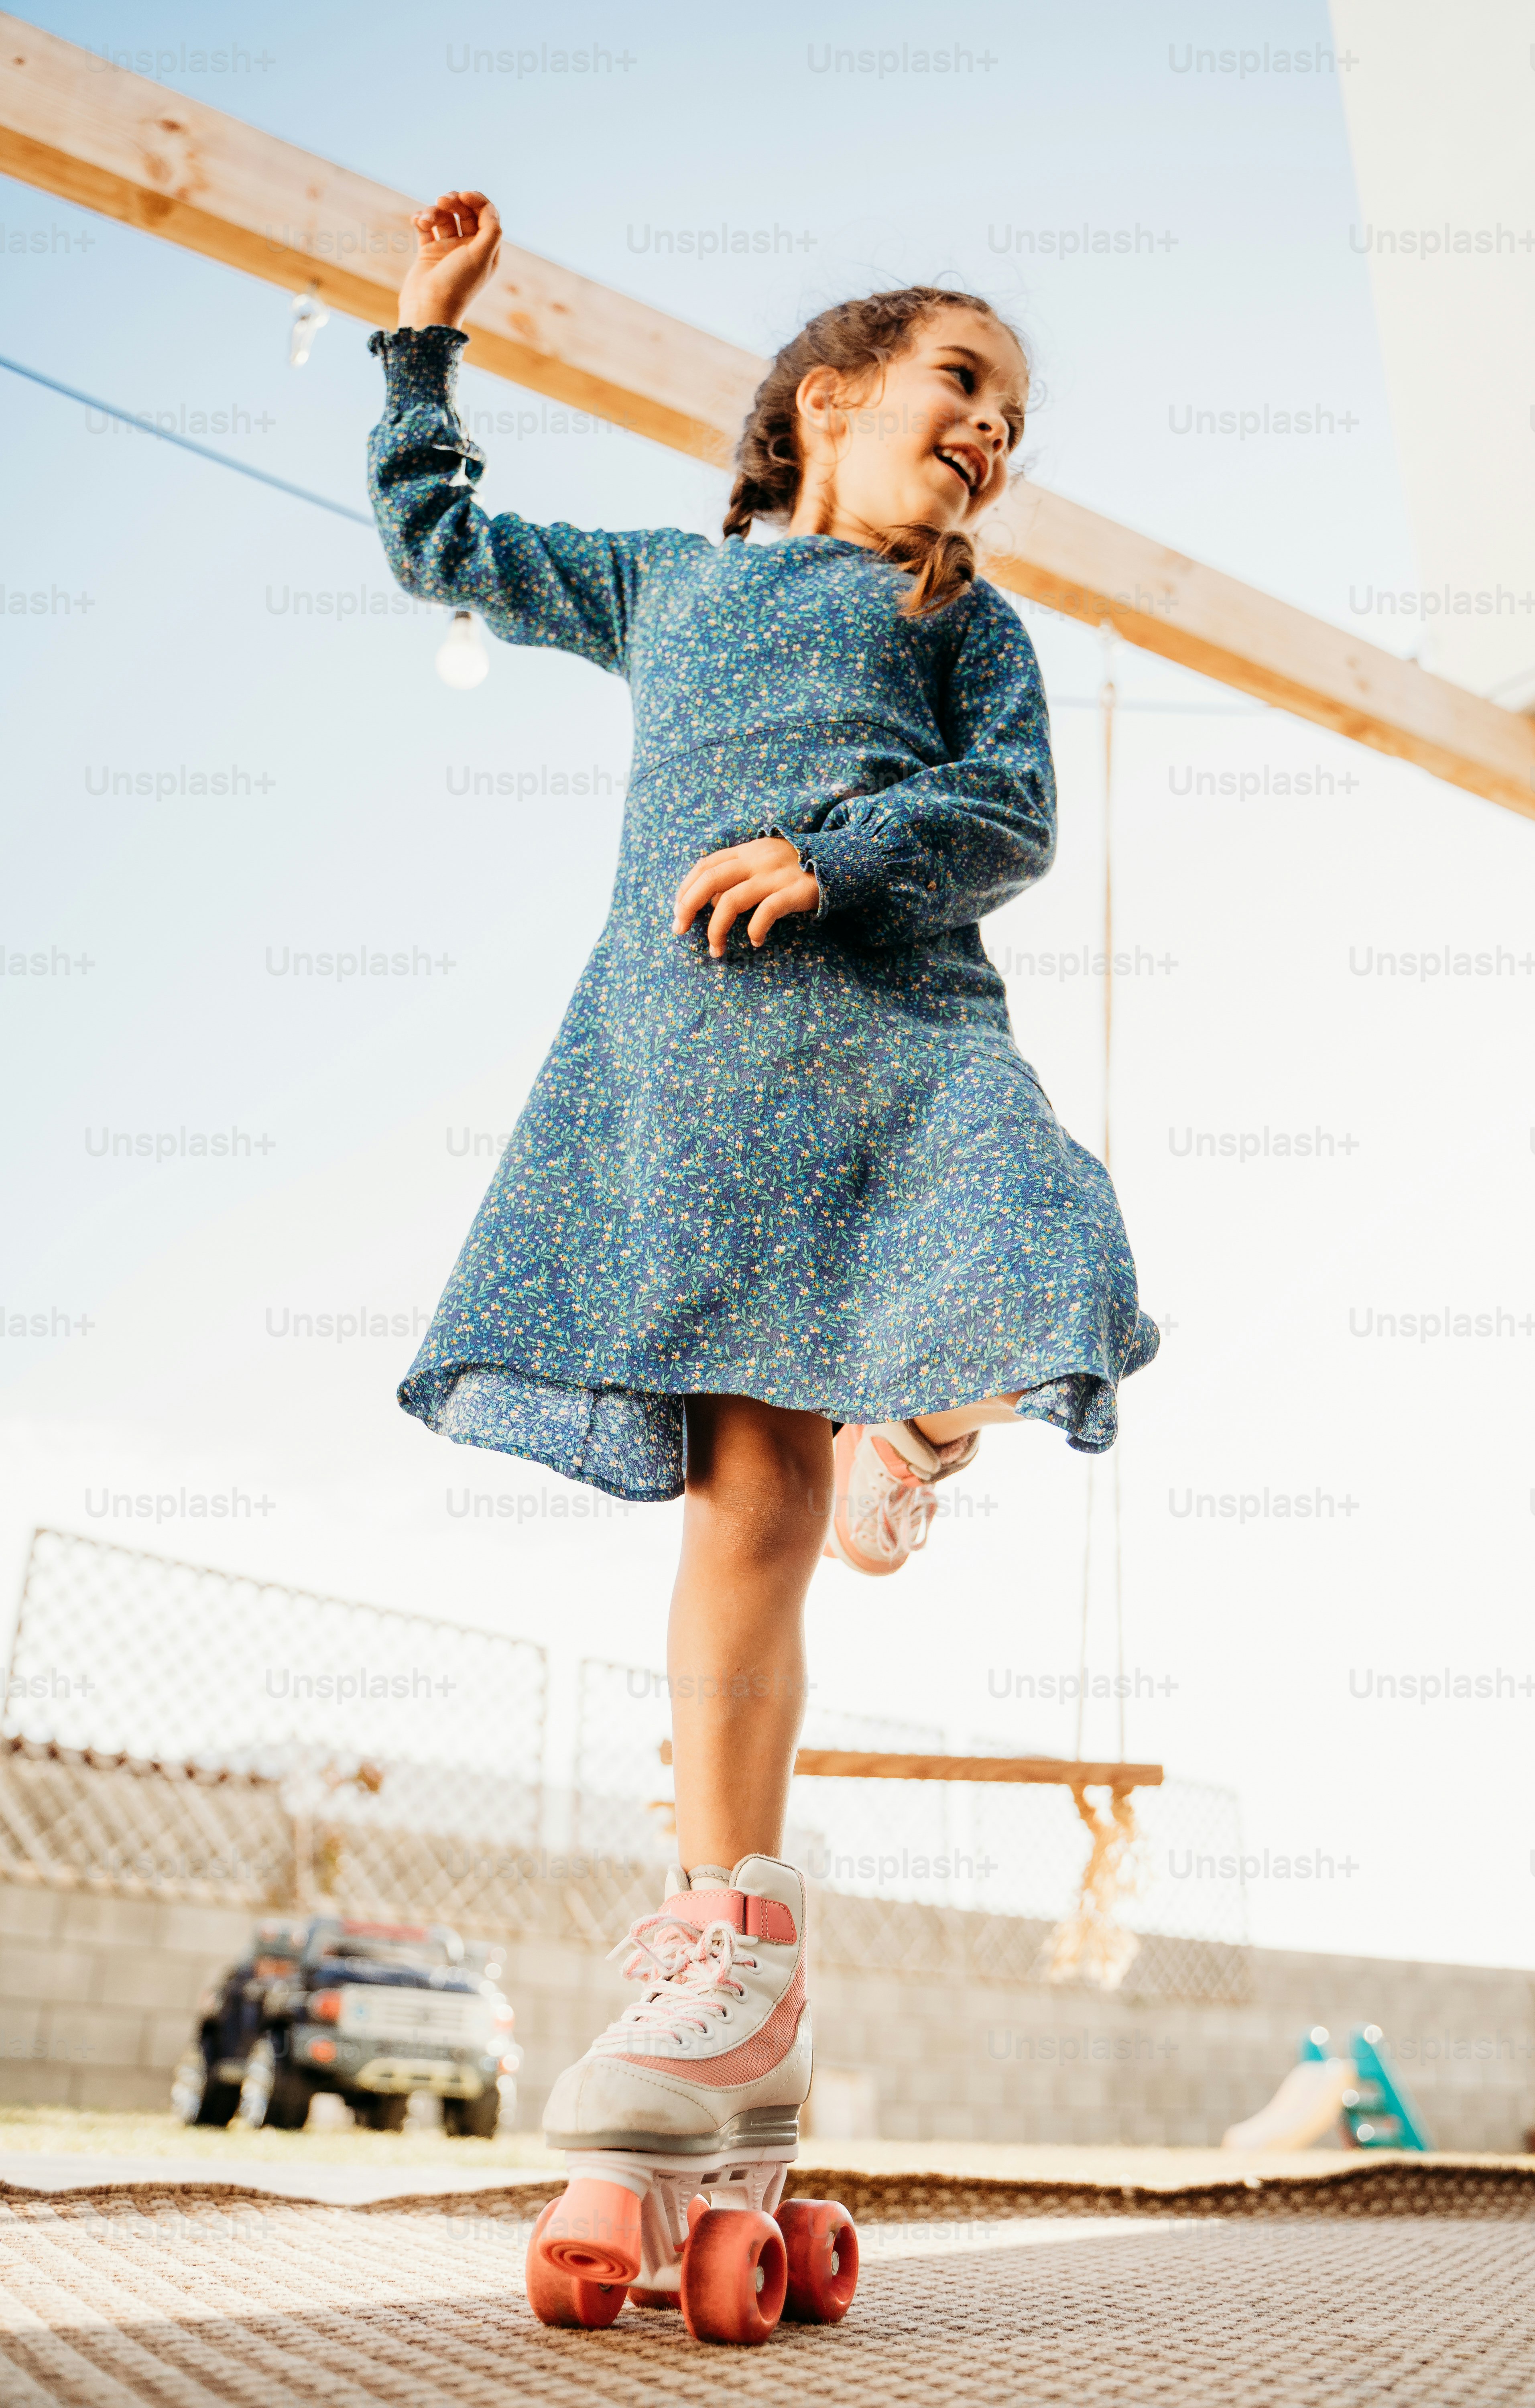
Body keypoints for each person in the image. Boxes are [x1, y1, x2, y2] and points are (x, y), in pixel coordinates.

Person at [369, 192, 1159, 2154]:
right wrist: (417, 344)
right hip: (698, 1080)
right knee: (744, 1504)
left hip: (899, 1039)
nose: (993, 428)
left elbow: (1009, 813)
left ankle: (923, 1424)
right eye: (964, 381)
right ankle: (724, 1942)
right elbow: (441, 546)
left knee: (1048, 1251)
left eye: (1015, 414)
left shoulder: (961, 620)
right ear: (830, 396)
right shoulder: (666, 583)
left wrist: (832, 855)